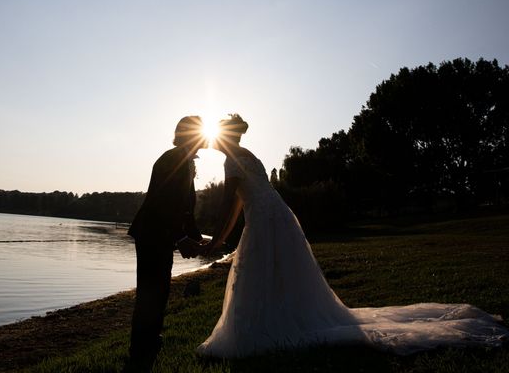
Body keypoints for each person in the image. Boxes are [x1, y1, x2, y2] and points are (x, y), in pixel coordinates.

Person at [197, 113, 508, 358]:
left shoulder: (231, 161)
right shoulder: (247, 154)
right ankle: (281, 316)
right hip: (277, 213)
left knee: (259, 271)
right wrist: (222, 239)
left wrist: (218, 239)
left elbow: (228, 204)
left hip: (266, 218)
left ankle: (263, 327)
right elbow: (239, 204)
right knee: (278, 272)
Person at [127, 115, 208, 367]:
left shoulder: (183, 160)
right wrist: (181, 237)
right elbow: (162, 203)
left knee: (159, 290)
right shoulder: (172, 159)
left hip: (161, 235)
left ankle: (150, 340)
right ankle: (141, 349)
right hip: (152, 234)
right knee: (151, 292)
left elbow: (184, 208)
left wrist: (197, 237)